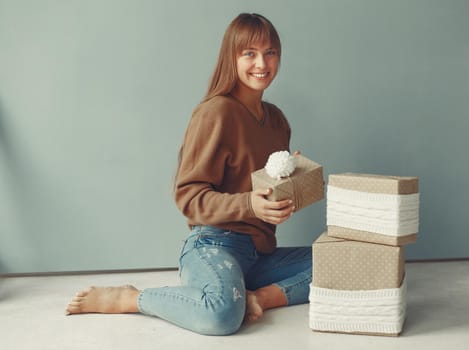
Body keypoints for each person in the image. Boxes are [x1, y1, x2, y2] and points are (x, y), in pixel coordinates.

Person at [65, 13, 312, 336]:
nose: (261, 63)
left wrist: (291, 186)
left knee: (343, 262)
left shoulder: (277, 120)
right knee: (221, 315)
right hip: (214, 245)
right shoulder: (216, 112)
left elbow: (264, 191)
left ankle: (259, 298)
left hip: (260, 252)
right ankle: (131, 298)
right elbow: (189, 196)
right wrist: (250, 205)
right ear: (231, 57)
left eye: (270, 52)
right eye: (249, 53)